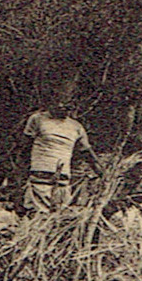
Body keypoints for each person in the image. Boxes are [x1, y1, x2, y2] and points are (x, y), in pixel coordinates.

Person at [22, 83, 95, 213]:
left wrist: (103, 173)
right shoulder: (38, 119)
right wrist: (21, 175)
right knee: (37, 214)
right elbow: (24, 148)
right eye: (61, 102)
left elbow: (87, 152)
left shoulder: (76, 126)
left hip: (63, 179)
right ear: (51, 102)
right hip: (40, 175)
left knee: (59, 216)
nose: (64, 107)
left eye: (69, 105)